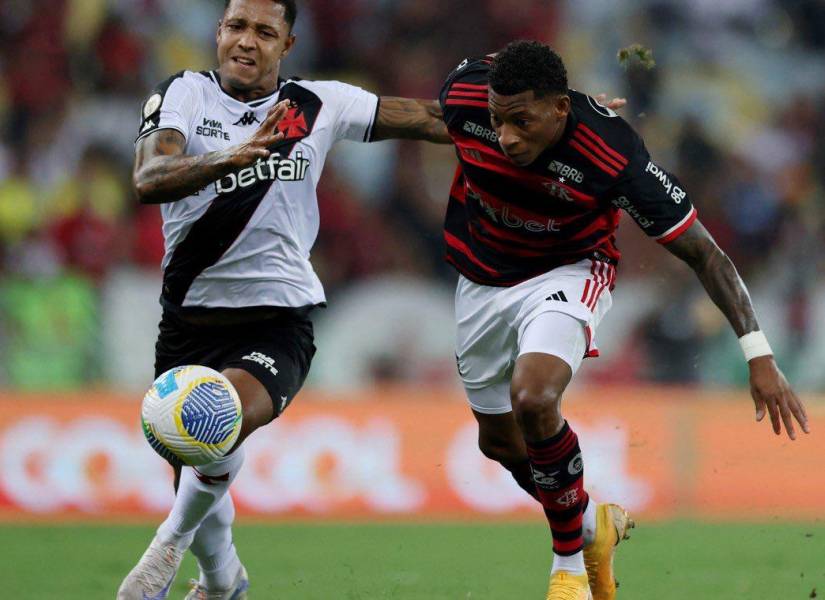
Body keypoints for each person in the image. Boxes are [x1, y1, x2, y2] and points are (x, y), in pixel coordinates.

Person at [437, 41, 809, 600]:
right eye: (497, 120)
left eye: (521, 121)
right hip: (481, 280)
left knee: (534, 399)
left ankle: (567, 572)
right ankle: (591, 527)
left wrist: (758, 353)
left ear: (561, 109)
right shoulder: (465, 93)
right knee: (501, 444)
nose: (506, 136)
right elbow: (417, 116)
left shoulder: (611, 153)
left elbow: (704, 252)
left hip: (569, 270)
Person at [117, 0, 451, 598]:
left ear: (288, 44)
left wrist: (550, 123)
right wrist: (232, 157)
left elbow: (429, 117)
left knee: (214, 421)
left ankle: (164, 546)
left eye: (265, 32)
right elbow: (148, 178)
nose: (247, 42)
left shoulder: (315, 105)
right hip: (188, 321)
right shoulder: (184, 95)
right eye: (237, 27)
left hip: (278, 320)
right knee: (199, 462)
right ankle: (224, 582)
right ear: (218, 32)